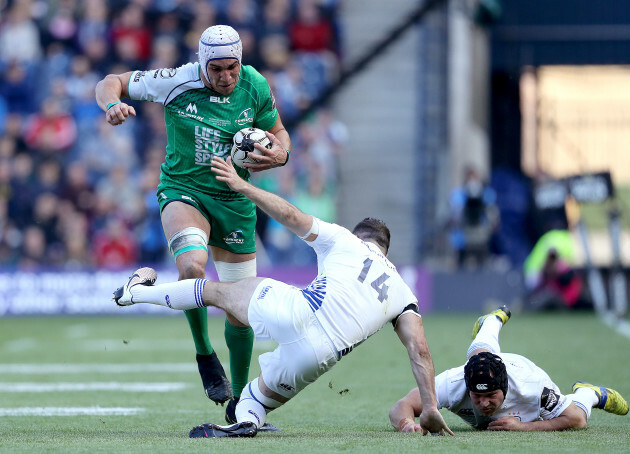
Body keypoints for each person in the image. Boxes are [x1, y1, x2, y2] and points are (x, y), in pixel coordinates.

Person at [112, 148, 453, 438]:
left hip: (297, 310)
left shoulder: (344, 240)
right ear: (386, 253)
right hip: (318, 358)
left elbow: (289, 215)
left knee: (215, 291)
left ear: (358, 235)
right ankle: (246, 421)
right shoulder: (403, 291)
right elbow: (419, 350)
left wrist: (241, 184)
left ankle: (134, 294)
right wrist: (431, 405)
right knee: (254, 400)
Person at [95, 25, 291, 417]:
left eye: (232, 68)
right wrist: (111, 104)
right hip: (184, 191)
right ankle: (204, 353)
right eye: (216, 69)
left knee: (240, 309)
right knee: (192, 266)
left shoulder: (254, 85)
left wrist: (279, 155)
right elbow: (110, 81)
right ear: (201, 63)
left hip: (236, 200)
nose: (226, 77)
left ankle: (239, 402)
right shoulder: (175, 81)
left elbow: (279, 134)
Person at [389, 306, 628, 432]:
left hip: (520, 367)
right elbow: (401, 407)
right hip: (485, 362)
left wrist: (524, 427)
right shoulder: (455, 383)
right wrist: (407, 424)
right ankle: (492, 319)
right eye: (477, 395)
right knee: (478, 355)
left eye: (490, 395)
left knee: (578, 407)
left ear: (504, 388)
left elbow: (575, 420)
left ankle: (592, 393)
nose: (483, 403)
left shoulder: (533, 387)